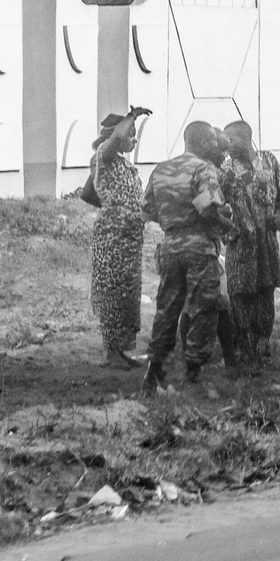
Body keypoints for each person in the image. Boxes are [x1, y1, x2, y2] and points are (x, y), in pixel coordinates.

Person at [140, 122, 237, 393]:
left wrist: (175, 220)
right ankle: (193, 371)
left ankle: (154, 368)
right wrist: (226, 222)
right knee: (203, 308)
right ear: (204, 143)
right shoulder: (203, 169)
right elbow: (208, 211)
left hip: (170, 246)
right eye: (212, 142)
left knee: (167, 309)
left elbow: (148, 210)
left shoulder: (160, 170)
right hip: (199, 248)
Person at [219, 120, 280, 366]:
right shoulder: (226, 171)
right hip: (240, 242)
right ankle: (243, 346)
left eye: (231, 139)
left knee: (265, 291)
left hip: (267, 242)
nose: (226, 144)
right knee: (240, 293)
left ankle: (262, 343)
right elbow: (218, 205)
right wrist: (231, 232)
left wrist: (279, 218)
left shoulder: (269, 162)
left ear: (245, 137)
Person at [88, 107, 150, 368]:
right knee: (112, 293)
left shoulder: (125, 165)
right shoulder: (104, 156)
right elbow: (114, 141)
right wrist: (131, 116)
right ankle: (112, 353)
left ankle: (121, 350)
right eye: (130, 134)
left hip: (129, 239)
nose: (134, 140)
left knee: (127, 293)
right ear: (117, 135)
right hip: (113, 239)